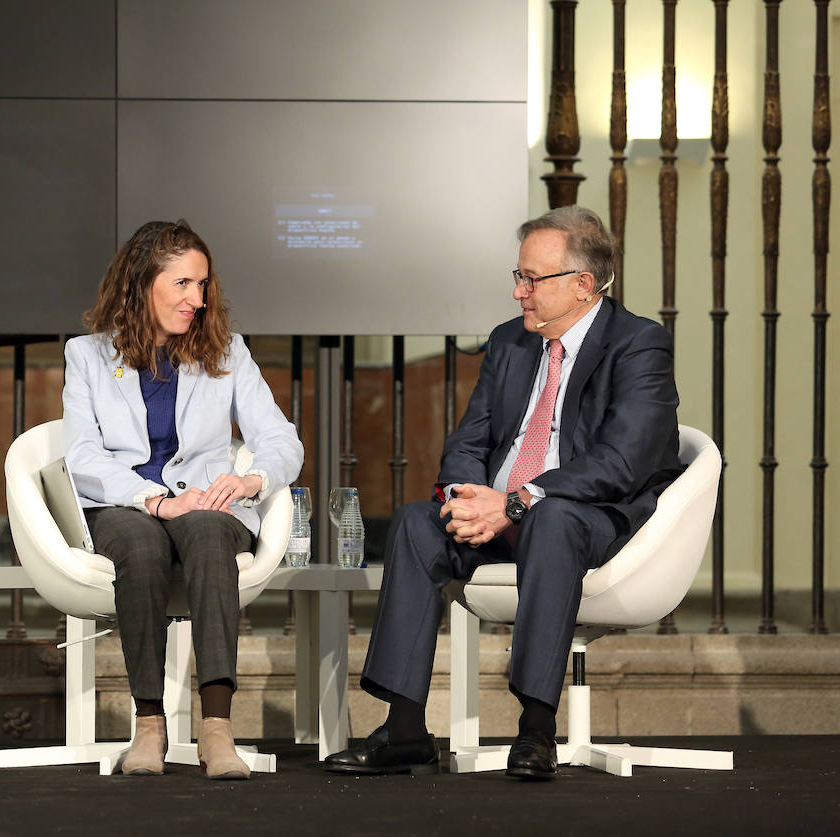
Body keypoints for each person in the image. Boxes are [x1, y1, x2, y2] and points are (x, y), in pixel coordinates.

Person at [324, 206, 681, 781]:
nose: (519, 293)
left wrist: (519, 500)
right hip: (504, 514)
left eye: (532, 280)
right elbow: (470, 437)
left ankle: (536, 728)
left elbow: (621, 462)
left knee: (554, 520)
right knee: (418, 524)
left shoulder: (638, 345)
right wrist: (467, 497)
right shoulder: (511, 343)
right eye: (517, 277)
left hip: (586, 519)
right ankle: (406, 729)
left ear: (582, 286)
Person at [64, 219, 304, 778]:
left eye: (203, 285)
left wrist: (253, 480)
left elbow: (280, 439)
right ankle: (148, 724)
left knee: (207, 530)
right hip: (126, 505)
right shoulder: (88, 356)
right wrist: (151, 498)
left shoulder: (228, 351)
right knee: (142, 548)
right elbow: (83, 455)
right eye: (182, 285)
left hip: (207, 507)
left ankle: (216, 727)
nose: (197, 299)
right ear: (142, 283)